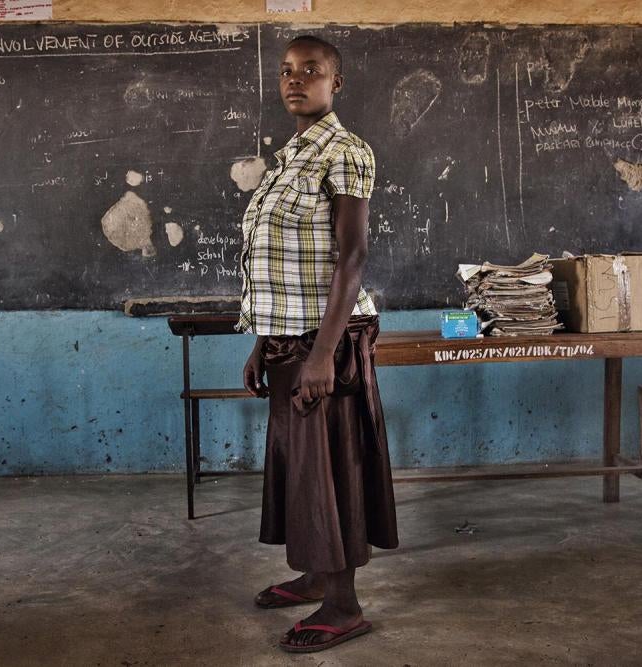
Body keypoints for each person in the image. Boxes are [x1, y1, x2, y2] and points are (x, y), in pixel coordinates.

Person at [236, 34, 399, 653]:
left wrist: (324, 354)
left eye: (310, 71)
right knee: (302, 471)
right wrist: (263, 342)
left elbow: (351, 259)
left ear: (337, 83)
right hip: (288, 338)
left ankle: (343, 604)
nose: (295, 80)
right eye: (286, 71)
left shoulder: (345, 151)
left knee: (329, 470)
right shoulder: (289, 157)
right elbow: (275, 265)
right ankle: (313, 576)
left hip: (328, 339)